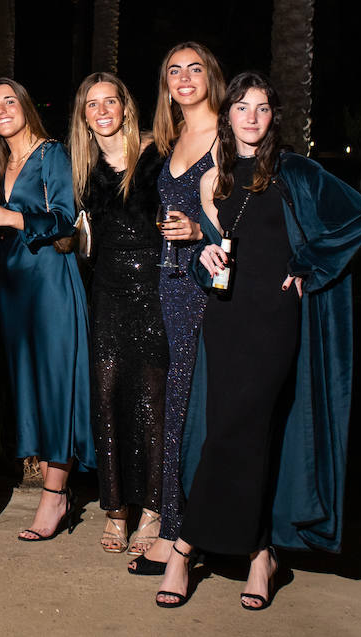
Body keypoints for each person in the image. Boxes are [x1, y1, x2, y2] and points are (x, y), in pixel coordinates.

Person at [155, 72, 361, 610]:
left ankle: (183, 548)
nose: (251, 118)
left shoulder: (297, 172)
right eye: (241, 108)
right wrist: (206, 258)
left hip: (275, 321)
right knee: (229, 435)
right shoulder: (216, 178)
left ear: (273, 117)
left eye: (261, 109)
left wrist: (309, 263)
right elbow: (217, 254)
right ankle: (260, 557)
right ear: (227, 116)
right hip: (225, 320)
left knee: (242, 430)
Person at [0, 77, 93, 542]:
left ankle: (54, 495)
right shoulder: (1, 160)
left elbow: (65, 217)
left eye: (9, 101)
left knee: (56, 384)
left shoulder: (52, 154)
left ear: (25, 106)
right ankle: (52, 483)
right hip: (14, 286)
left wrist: (10, 217)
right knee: (29, 386)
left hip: (50, 285)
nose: (1, 110)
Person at [131, 41, 226, 574]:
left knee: (191, 408)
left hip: (205, 289)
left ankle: (181, 535)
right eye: (174, 71)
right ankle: (174, 525)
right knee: (173, 407)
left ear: (211, 76)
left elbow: (241, 216)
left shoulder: (227, 137)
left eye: (194, 68)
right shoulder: (171, 139)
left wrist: (198, 230)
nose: (184, 78)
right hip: (167, 285)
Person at [68, 73, 166, 554]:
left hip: (154, 288)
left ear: (127, 107)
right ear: (83, 116)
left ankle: (152, 507)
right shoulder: (83, 168)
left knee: (150, 402)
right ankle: (115, 509)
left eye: (111, 102)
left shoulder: (158, 153)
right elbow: (81, 237)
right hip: (106, 291)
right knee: (105, 395)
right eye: (92, 104)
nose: (102, 110)